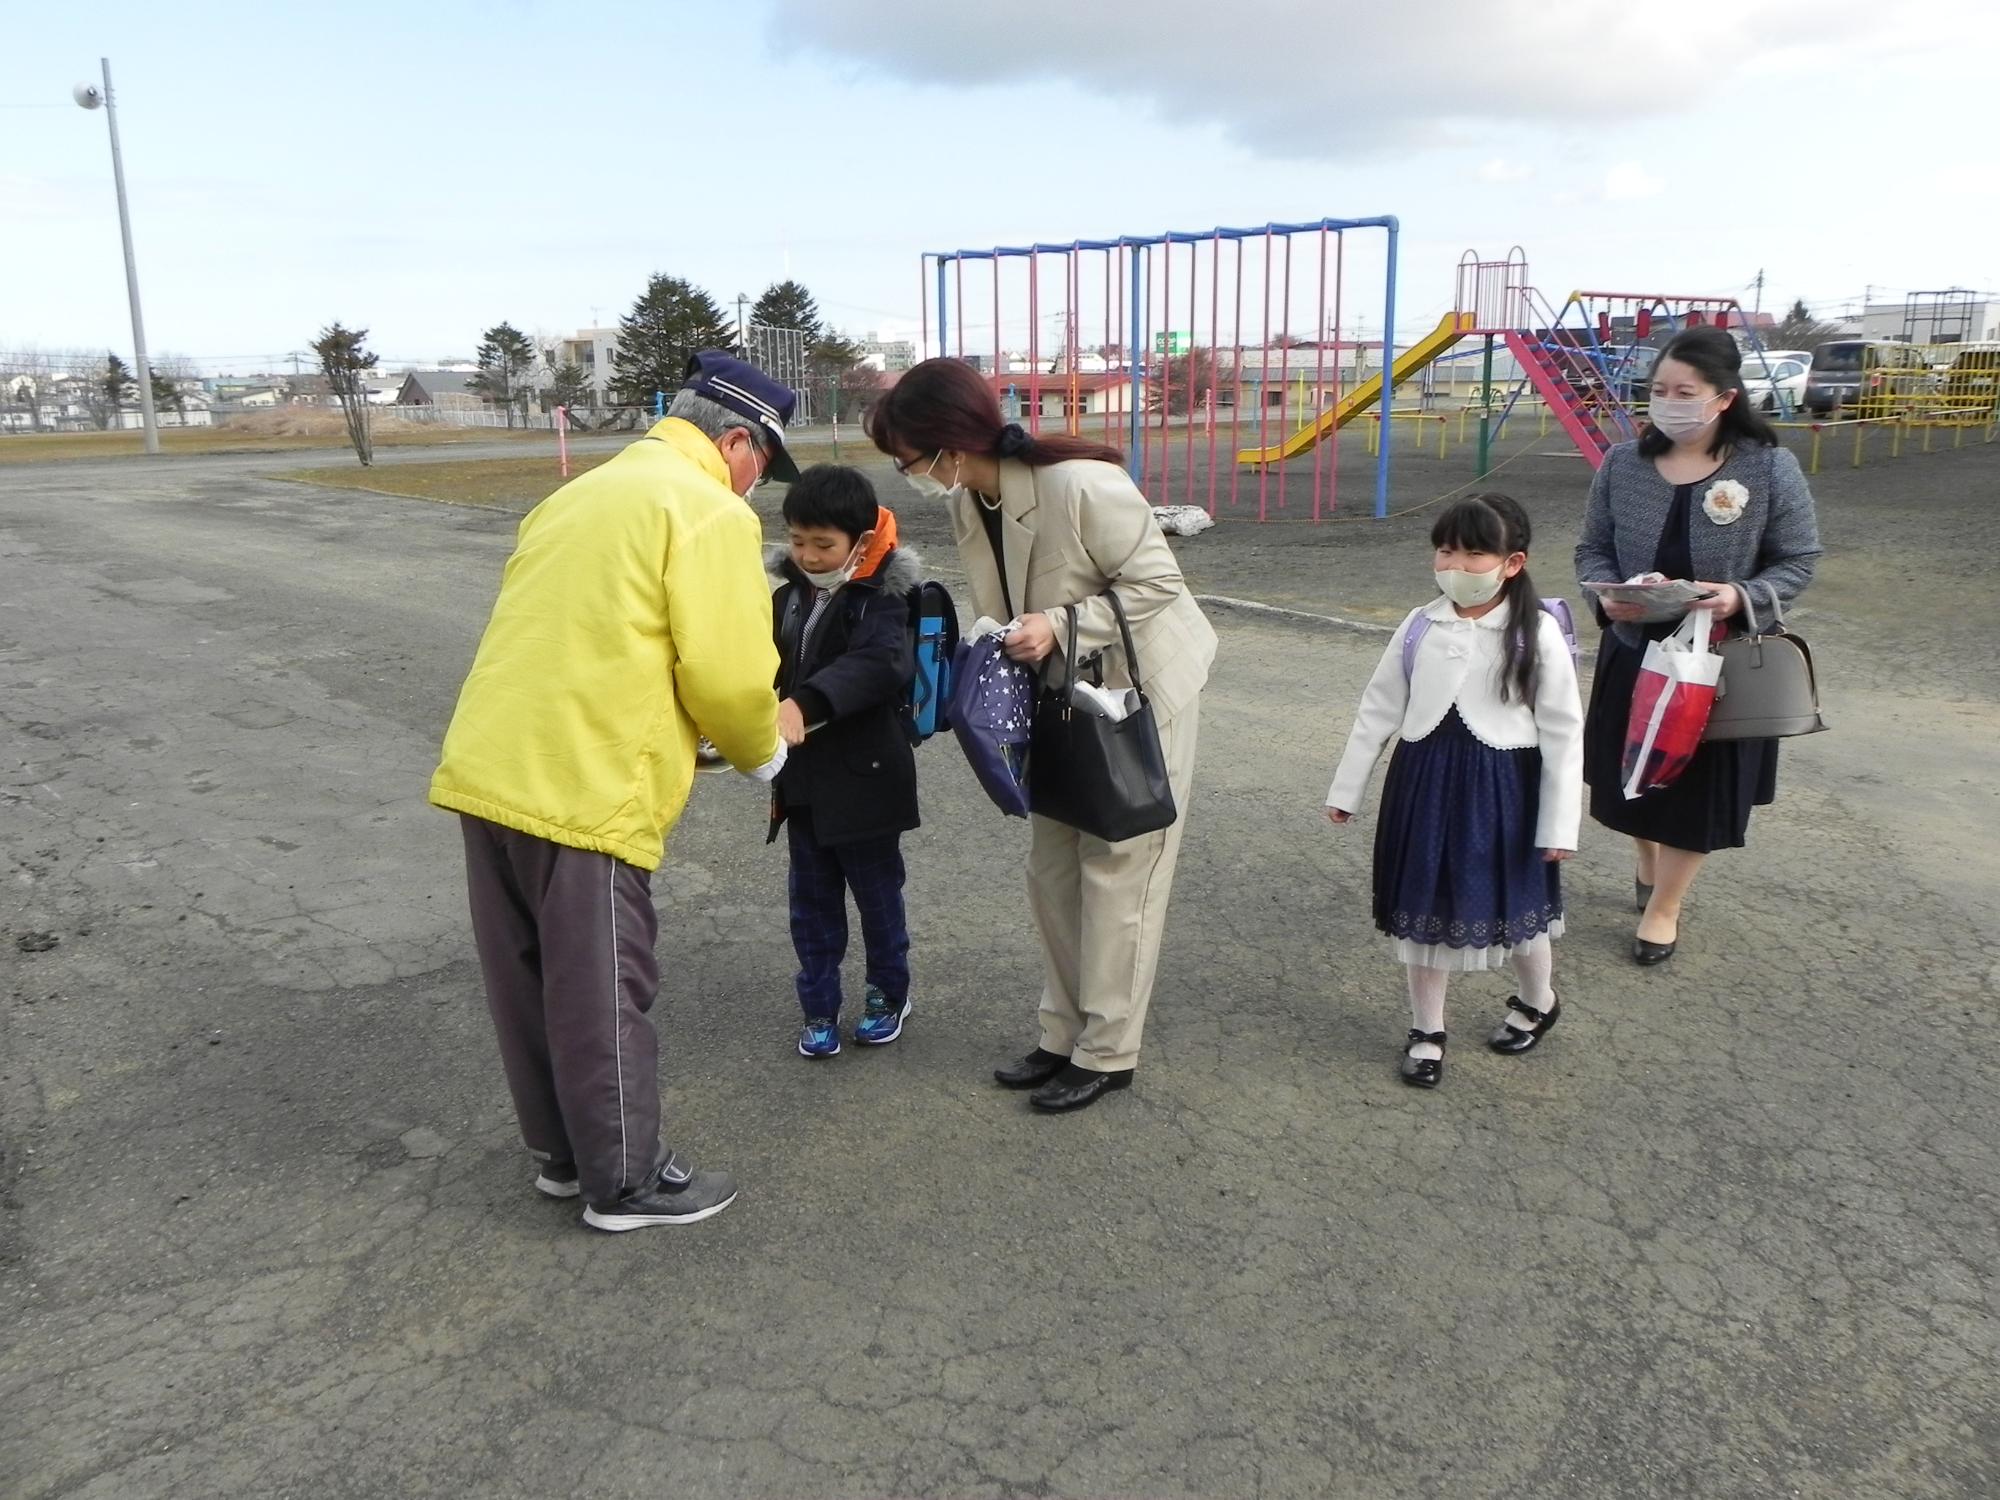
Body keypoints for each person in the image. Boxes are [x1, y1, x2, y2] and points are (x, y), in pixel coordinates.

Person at [429, 352, 799, 1233]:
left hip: (493, 767)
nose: (760, 486)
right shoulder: (704, 508)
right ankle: (626, 1180)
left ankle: (566, 1155)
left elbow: (593, 637)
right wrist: (763, 755)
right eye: (763, 466)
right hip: (585, 785)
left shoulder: (582, 493)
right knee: (600, 985)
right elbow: (729, 670)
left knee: (527, 978)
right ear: (736, 440)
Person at [867, 358, 1217, 1112]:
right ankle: (1062, 1034)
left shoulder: (1081, 486)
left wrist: (1059, 625)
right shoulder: (973, 500)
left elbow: (1159, 586)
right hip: (1059, 699)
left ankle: (1107, 1050)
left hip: (1137, 696)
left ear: (949, 446)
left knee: (1121, 870)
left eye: (910, 459)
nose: (910, 475)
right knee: (1053, 870)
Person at [1576, 326, 1822, 965]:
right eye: (1658, 390)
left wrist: (1739, 597)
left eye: (1685, 391)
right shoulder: (1621, 465)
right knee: (1630, 777)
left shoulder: (1767, 468)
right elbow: (1592, 548)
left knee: (1701, 789)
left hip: (1718, 664)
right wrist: (1608, 594)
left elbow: (1797, 560)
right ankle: (1645, 856)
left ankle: (1666, 905)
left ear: (1723, 399)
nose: (1668, 402)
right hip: (1636, 648)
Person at [1325, 494, 1583, 1088]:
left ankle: (1538, 998)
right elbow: (1378, 707)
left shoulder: (1536, 631)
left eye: (1475, 554)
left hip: (1504, 789)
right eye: (1446, 551)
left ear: (1512, 563)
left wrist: (1559, 825)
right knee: (1424, 906)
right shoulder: (1419, 624)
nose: (1456, 566)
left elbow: (1565, 732)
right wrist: (1348, 788)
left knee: (1517, 904)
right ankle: (1427, 1030)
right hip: (1423, 781)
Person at [765, 465, 923, 1059]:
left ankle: (888, 993)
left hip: (867, 781)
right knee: (811, 904)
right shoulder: (787, 597)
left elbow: (881, 665)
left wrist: (804, 703)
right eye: (797, 540)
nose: (806, 555)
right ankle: (819, 1005)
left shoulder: (883, 598)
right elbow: (764, 668)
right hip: (802, 782)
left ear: (859, 540)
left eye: (823, 544)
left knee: (878, 897)